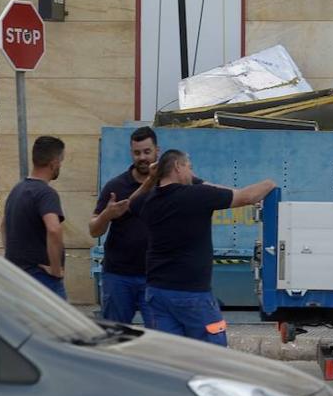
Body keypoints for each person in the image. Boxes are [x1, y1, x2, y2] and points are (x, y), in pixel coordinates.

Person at [142, 150, 275, 346]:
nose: (191, 172)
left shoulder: (150, 201)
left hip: (158, 292)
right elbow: (246, 197)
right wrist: (270, 183)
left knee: (169, 356)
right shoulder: (195, 196)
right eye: (189, 167)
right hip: (192, 295)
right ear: (178, 167)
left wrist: (190, 178)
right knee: (213, 355)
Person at [89, 126, 161, 326]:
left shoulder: (166, 185)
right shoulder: (116, 186)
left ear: (157, 151)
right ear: (131, 153)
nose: (142, 157)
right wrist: (107, 214)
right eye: (137, 153)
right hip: (118, 276)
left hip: (155, 278)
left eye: (147, 151)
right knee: (115, 338)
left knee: (160, 341)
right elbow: (94, 229)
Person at [3, 136, 67, 298]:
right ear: (53, 163)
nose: (60, 165)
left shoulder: (17, 190)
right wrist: (55, 269)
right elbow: (53, 229)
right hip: (42, 280)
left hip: (18, 277)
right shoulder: (46, 193)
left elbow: (4, 225)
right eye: (61, 161)